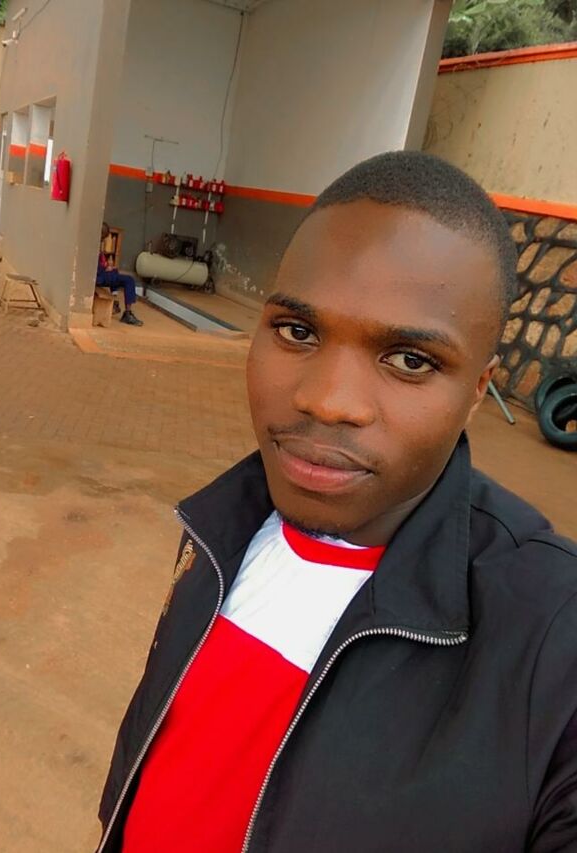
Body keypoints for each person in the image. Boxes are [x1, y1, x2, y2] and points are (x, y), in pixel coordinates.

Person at [96, 152, 577, 853]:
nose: (326, 400)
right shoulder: (222, 523)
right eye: (298, 332)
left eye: (410, 360)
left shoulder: (553, 639)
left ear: (478, 389)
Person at [97, 222, 143, 326]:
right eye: (103, 236)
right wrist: (105, 269)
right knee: (129, 280)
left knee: (115, 272)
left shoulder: (95, 243)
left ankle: (114, 300)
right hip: (98, 277)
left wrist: (107, 268)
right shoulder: (94, 245)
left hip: (100, 274)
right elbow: (95, 267)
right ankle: (127, 313)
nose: (103, 239)